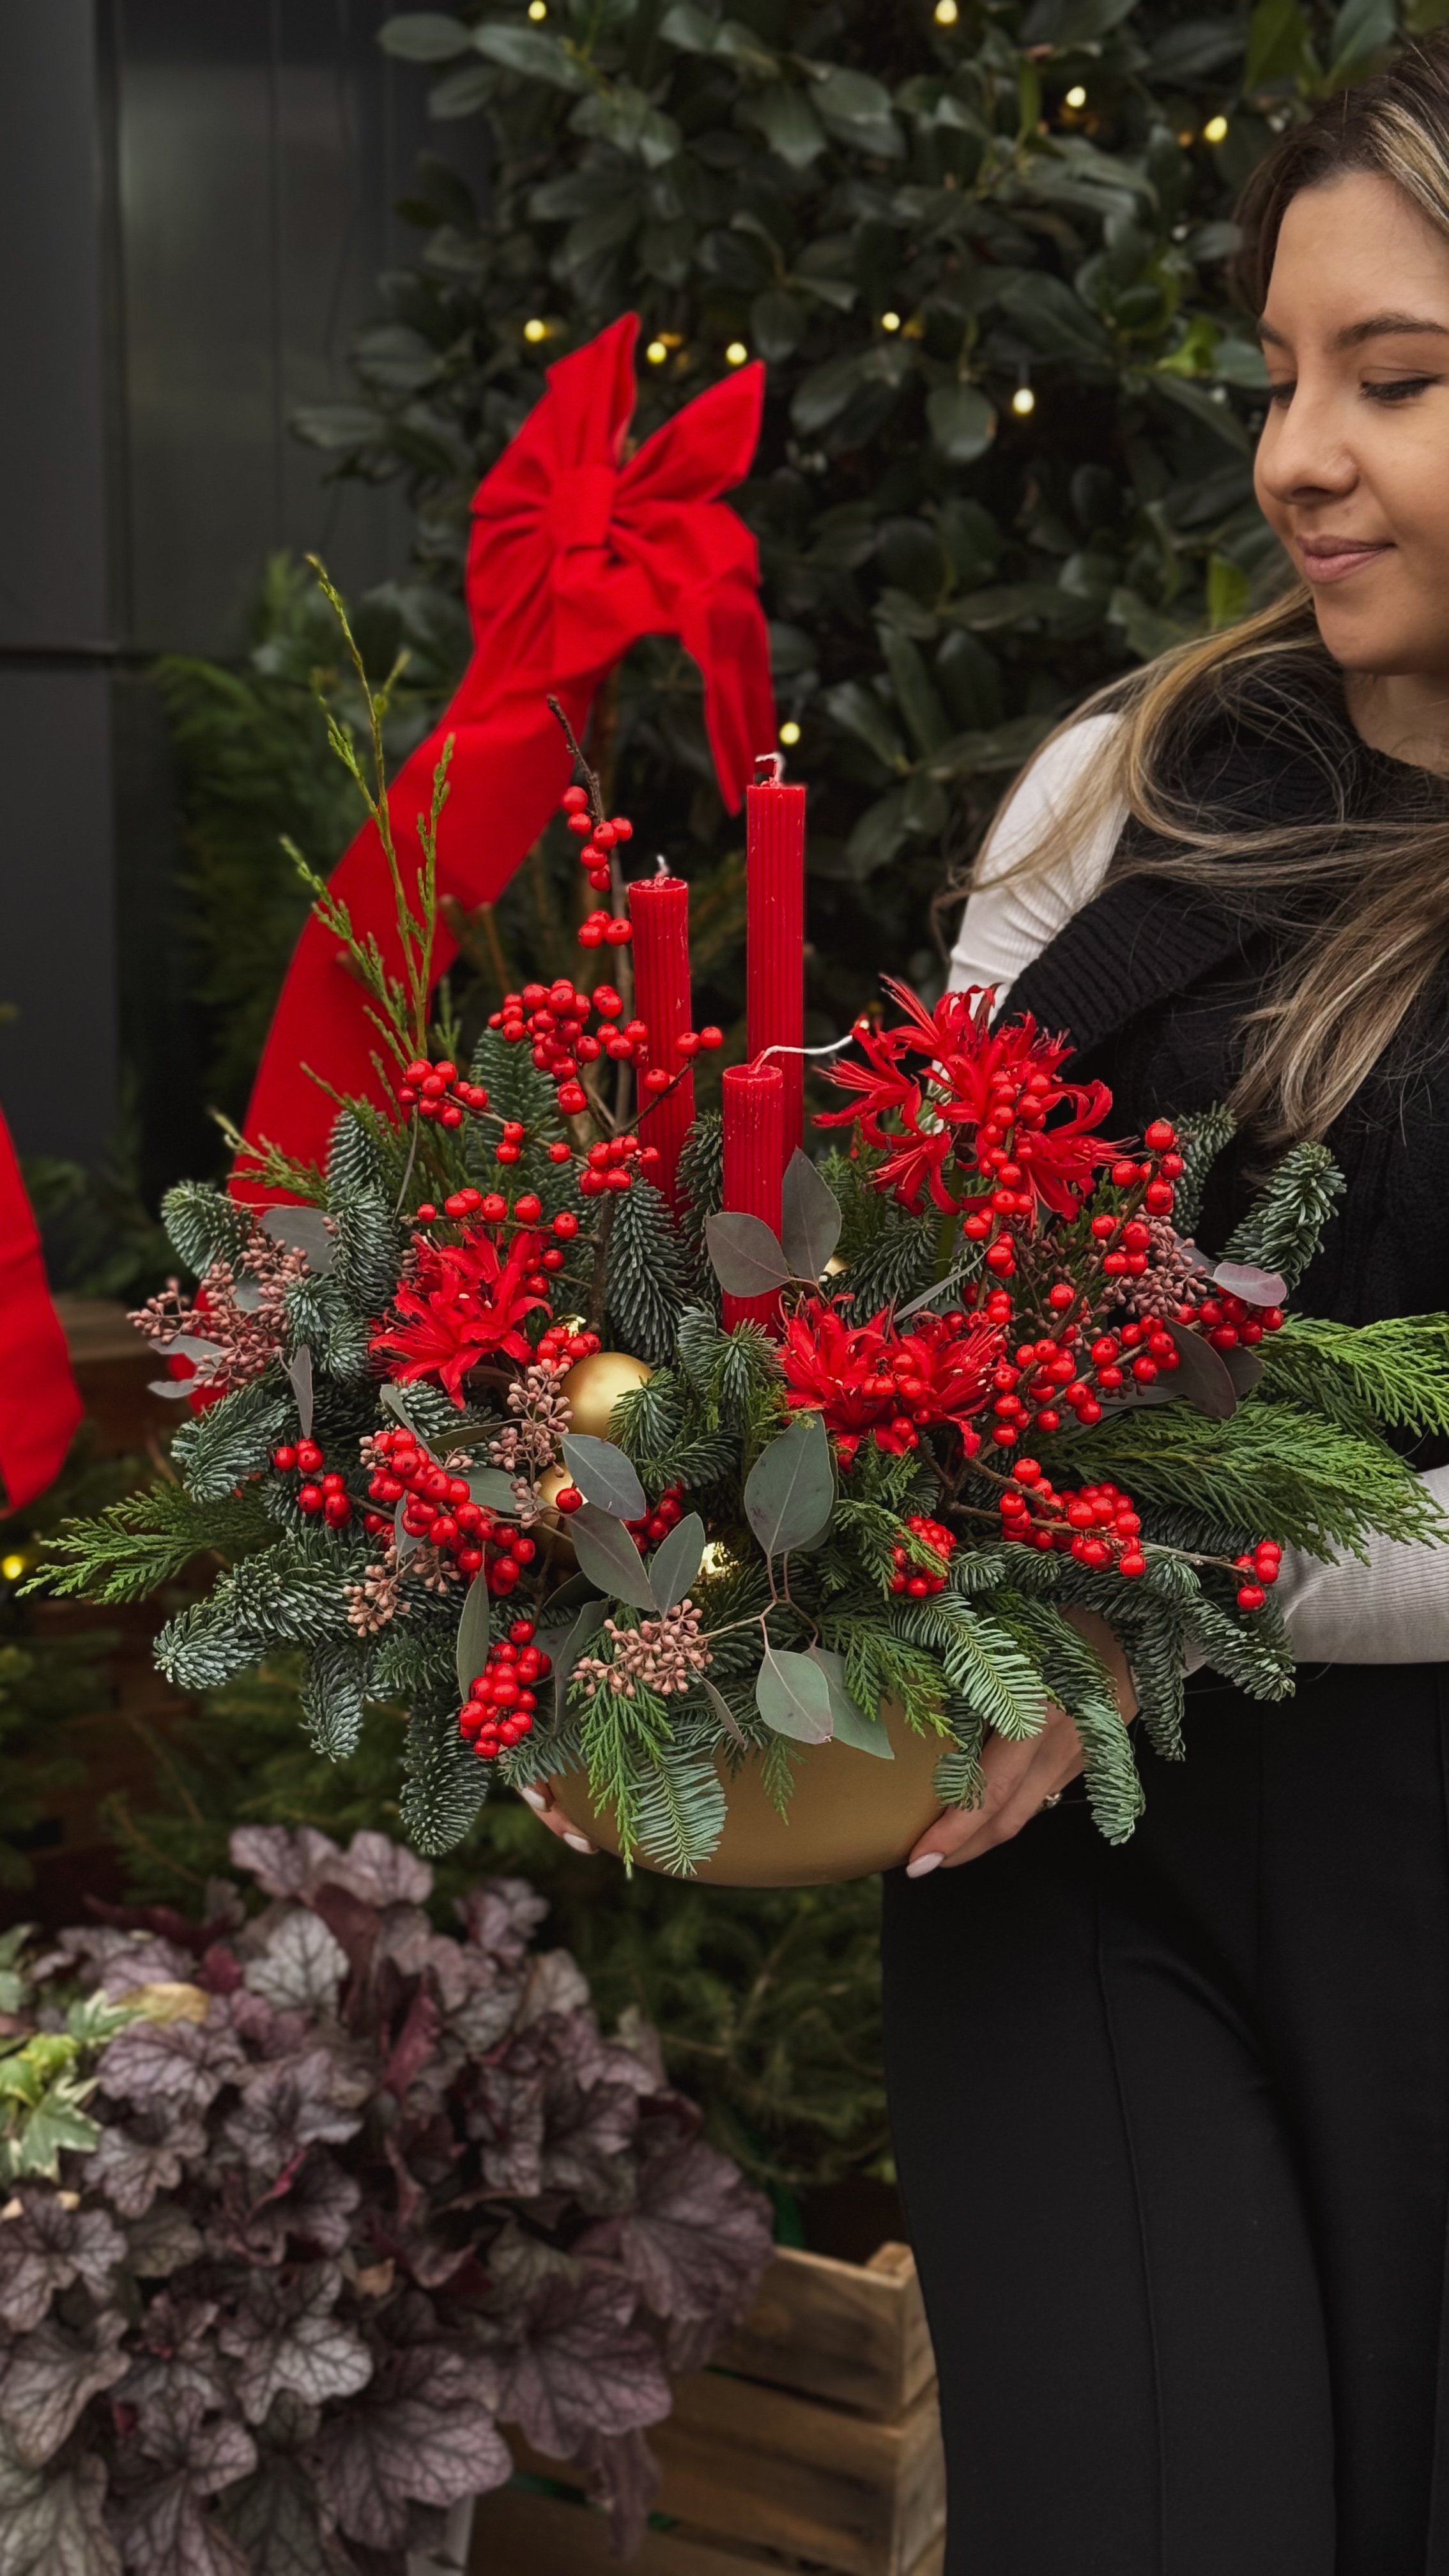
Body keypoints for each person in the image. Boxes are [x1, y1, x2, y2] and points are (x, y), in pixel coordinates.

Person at [525, 43, 1449, 2568]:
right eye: (1282, 377)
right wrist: (649, 1499)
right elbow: (929, 1292)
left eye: (1396, 378)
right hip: (1082, 1873)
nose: (1296, 451)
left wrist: (1156, 1590)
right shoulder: (1130, 780)